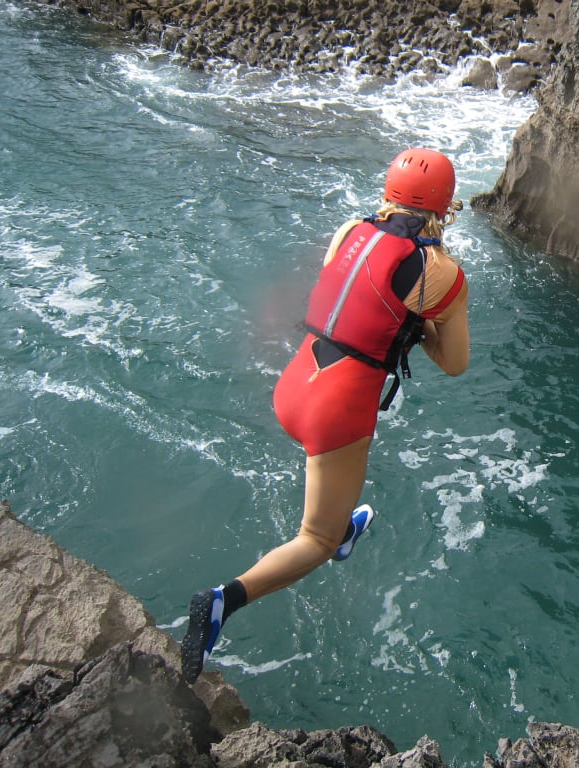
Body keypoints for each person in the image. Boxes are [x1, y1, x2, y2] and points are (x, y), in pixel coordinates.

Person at [179, 148, 471, 683]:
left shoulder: (348, 231)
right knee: (313, 538)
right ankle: (222, 601)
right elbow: (455, 364)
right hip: (337, 410)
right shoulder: (440, 272)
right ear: (445, 208)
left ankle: (341, 530)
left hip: (295, 386)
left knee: (334, 489)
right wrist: (425, 324)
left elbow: (357, 297)